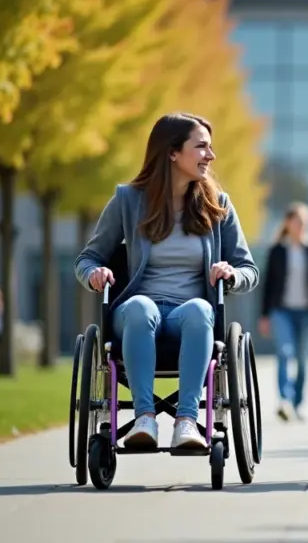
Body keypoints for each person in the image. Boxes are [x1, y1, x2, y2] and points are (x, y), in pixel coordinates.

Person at [75, 112, 259, 451]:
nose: (211, 155)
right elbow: (87, 259)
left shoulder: (217, 205)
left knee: (200, 309)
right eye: (201, 147)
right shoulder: (128, 201)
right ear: (172, 152)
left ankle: (187, 420)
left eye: (210, 147)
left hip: (186, 316)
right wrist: (94, 274)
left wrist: (232, 276)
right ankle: (145, 418)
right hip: (135, 313)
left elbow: (249, 269)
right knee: (142, 307)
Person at [259, 201, 308, 422]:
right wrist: (264, 315)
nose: (300, 226)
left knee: (302, 360)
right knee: (284, 352)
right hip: (281, 311)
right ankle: (284, 400)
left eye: (304, 222)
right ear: (288, 223)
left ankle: (298, 403)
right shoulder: (277, 250)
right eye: (297, 221)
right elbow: (267, 285)